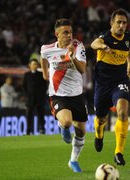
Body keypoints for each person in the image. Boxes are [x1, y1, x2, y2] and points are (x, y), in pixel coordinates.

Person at [40, 19, 87, 173]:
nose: (69, 35)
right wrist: (45, 73)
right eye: (65, 32)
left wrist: (72, 57)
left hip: (77, 95)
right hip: (58, 95)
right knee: (67, 122)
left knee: (80, 131)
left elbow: (82, 70)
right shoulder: (47, 49)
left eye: (70, 32)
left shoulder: (78, 46)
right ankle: (62, 126)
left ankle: (73, 161)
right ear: (57, 34)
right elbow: (43, 58)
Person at [91, 9, 130, 166]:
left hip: (120, 81)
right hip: (102, 84)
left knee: (123, 111)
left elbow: (128, 49)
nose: (122, 25)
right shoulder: (105, 37)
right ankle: (99, 133)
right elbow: (93, 43)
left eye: (124, 23)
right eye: (118, 22)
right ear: (111, 23)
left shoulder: (128, 38)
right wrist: (103, 47)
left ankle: (118, 152)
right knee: (101, 118)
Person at [22, 58, 47, 135]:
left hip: (39, 99)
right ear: (29, 65)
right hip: (30, 99)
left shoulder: (41, 74)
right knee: (28, 115)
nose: (34, 65)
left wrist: (42, 95)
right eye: (32, 64)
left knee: (41, 115)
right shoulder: (26, 75)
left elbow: (45, 86)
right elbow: (24, 86)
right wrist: (26, 95)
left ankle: (42, 129)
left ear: (37, 65)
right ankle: (28, 130)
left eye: (35, 64)